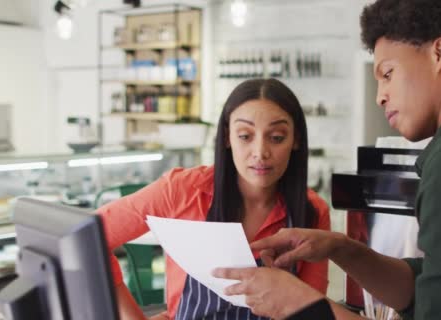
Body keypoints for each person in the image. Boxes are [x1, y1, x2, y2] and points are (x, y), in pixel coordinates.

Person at [213, 0, 441, 319]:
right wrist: (341, 248)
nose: (380, 96)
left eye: (387, 74)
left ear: (439, 53)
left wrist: (305, 304)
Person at [97, 78, 331, 320]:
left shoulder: (312, 211)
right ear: (228, 137)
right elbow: (91, 236)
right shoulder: (183, 190)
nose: (260, 152)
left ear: (296, 140)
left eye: (277, 137)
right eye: (245, 136)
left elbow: (313, 312)